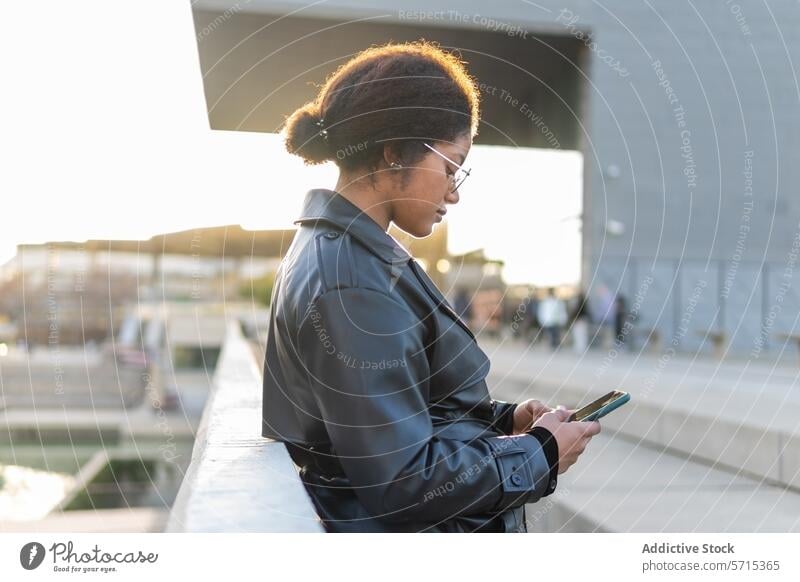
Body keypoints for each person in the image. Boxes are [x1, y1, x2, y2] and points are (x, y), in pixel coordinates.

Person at [261, 41, 600, 533]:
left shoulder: (340, 253)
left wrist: (502, 423)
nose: (454, 192)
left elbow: (397, 414)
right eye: (450, 165)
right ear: (394, 151)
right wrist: (540, 453)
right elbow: (404, 481)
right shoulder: (351, 284)